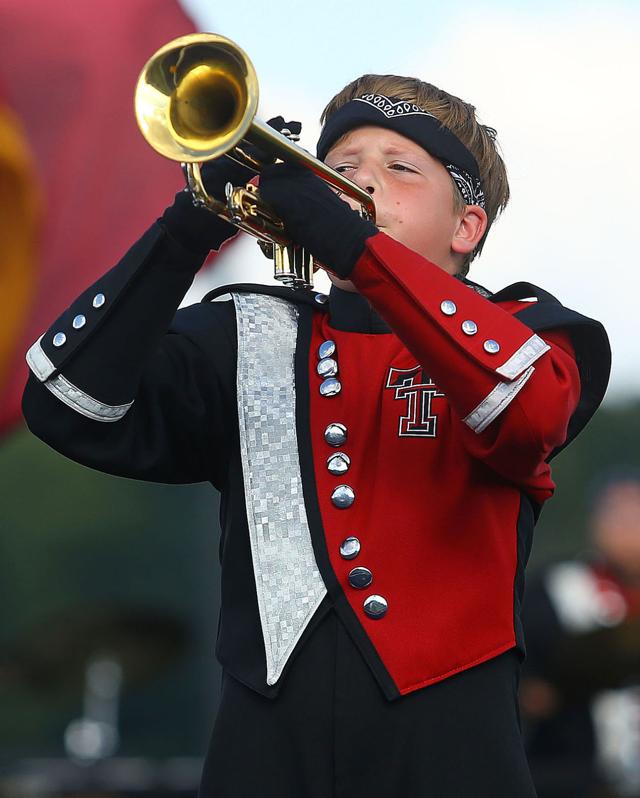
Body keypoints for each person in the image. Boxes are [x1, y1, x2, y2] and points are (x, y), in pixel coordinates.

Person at [22, 72, 611, 797]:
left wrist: (349, 237)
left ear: (468, 227)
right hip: (264, 747)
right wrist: (189, 226)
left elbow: (524, 408)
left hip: (448, 749)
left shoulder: (531, 334)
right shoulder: (247, 333)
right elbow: (63, 402)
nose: (360, 184)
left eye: (400, 169)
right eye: (339, 168)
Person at [522, 469, 640, 798]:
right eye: (617, 514)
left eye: (636, 514)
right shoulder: (557, 588)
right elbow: (527, 684)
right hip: (572, 774)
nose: (628, 528)